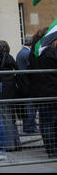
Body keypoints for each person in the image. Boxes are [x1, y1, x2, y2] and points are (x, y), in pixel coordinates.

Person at [0, 39, 21, 161]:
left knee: (2, 117)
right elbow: (18, 69)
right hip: (9, 89)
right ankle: (15, 143)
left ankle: (10, 144)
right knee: (10, 117)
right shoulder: (9, 57)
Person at [28, 27, 57, 158]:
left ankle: (50, 148)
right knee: (50, 122)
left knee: (46, 122)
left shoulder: (34, 51)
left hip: (40, 92)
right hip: (52, 91)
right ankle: (53, 148)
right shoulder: (51, 51)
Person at [15, 37, 38, 133]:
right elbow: (30, 67)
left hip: (22, 83)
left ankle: (29, 126)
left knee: (28, 106)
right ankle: (30, 127)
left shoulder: (21, 52)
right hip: (27, 83)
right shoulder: (27, 53)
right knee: (30, 107)